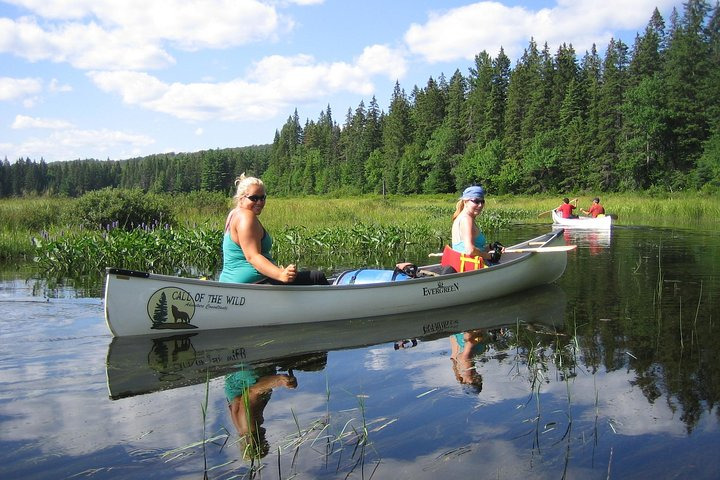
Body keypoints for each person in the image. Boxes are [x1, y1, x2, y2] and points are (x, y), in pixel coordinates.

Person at [219, 173, 328, 285]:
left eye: (262, 198)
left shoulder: (233, 214)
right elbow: (253, 257)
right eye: (254, 198)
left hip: (228, 281)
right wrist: (281, 275)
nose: (259, 202)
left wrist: (281, 271)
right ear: (241, 198)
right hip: (252, 282)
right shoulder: (246, 217)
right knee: (317, 276)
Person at [226, 365, 297, 460]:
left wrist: (280, 380)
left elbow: (253, 391)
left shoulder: (249, 426)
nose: (266, 440)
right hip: (241, 375)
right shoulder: (243, 429)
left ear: (259, 443)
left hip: (247, 374)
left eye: (265, 442)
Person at [451, 185, 498, 264]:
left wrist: (491, 247)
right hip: (472, 266)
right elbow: (470, 250)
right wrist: (490, 256)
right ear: (465, 201)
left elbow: (475, 249)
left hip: (464, 264)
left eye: (482, 201)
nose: (480, 205)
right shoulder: (466, 219)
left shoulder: (461, 217)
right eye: (476, 201)